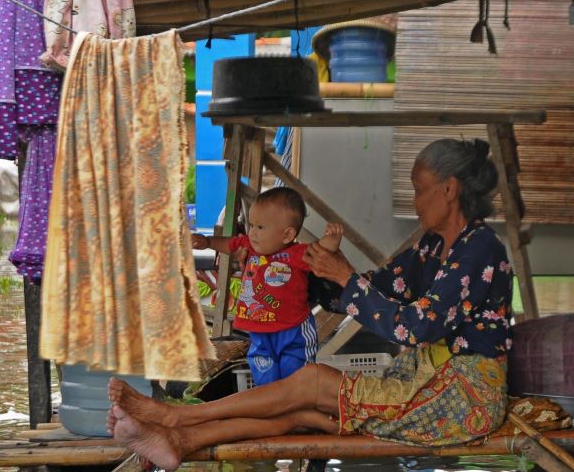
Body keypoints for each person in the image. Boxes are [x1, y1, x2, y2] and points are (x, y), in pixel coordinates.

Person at [108, 138, 513, 470]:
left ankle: (173, 418)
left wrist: (342, 275)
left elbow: (413, 327)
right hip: (423, 382)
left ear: (449, 189)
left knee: (310, 383)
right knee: (300, 408)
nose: (416, 200)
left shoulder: (480, 250)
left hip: (461, 398)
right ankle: (178, 438)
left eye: (419, 188)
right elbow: (377, 290)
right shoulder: (431, 247)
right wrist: (290, 275)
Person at [191, 187, 343, 385]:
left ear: (287, 235)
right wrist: (208, 242)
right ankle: (271, 410)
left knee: (296, 380)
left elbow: (322, 250)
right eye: (252, 225)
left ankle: (296, 412)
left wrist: (333, 239)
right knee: (265, 379)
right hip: (259, 331)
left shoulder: (296, 254)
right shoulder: (250, 246)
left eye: (260, 228)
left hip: (292, 331)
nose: (252, 233)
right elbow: (230, 244)